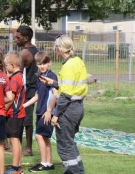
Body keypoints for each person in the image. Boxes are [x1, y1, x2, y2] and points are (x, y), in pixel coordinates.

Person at [40, 35, 88, 174]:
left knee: (64, 145)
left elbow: (65, 95)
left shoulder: (67, 66)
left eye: (56, 48)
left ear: (60, 48)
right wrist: (53, 83)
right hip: (78, 107)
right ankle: (79, 171)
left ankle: (73, 172)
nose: (55, 50)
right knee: (70, 143)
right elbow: (71, 87)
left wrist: (55, 114)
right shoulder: (78, 61)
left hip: (68, 109)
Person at [23, 51, 58, 172]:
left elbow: (55, 94)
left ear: (49, 63)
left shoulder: (51, 76)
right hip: (40, 111)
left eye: (44, 63)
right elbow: (37, 95)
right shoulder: (39, 77)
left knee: (39, 136)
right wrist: (24, 105)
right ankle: (49, 163)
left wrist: (49, 111)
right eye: (39, 63)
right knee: (45, 138)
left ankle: (43, 163)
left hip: (46, 112)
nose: (42, 66)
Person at [15, 25, 38, 156]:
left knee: (25, 120)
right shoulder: (35, 49)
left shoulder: (24, 53)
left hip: (27, 90)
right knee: (25, 119)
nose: (16, 40)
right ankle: (20, 146)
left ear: (26, 38)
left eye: (18, 37)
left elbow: (17, 73)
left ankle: (27, 148)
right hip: (31, 89)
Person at [4, 52, 26, 174]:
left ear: (12, 65)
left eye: (6, 65)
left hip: (14, 113)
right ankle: (18, 166)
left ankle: (15, 168)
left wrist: (2, 107)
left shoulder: (14, 79)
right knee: (17, 140)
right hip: (20, 113)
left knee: (14, 140)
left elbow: (10, 98)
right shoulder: (20, 76)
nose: (5, 67)